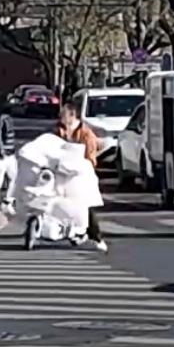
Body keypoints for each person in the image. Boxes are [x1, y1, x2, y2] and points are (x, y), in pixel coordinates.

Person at [57, 101, 108, 251]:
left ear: (72, 115)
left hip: (81, 176)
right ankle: (75, 232)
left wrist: (81, 167)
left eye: (63, 114)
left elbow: (90, 158)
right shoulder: (58, 130)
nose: (60, 116)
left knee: (85, 206)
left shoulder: (86, 134)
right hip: (62, 173)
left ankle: (97, 237)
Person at [0, 106, 18, 212]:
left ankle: (7, 202)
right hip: (1, 156)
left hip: (10, 154)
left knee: (13, 178)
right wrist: (1, 151)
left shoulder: (8, 119)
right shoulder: (1, 119)